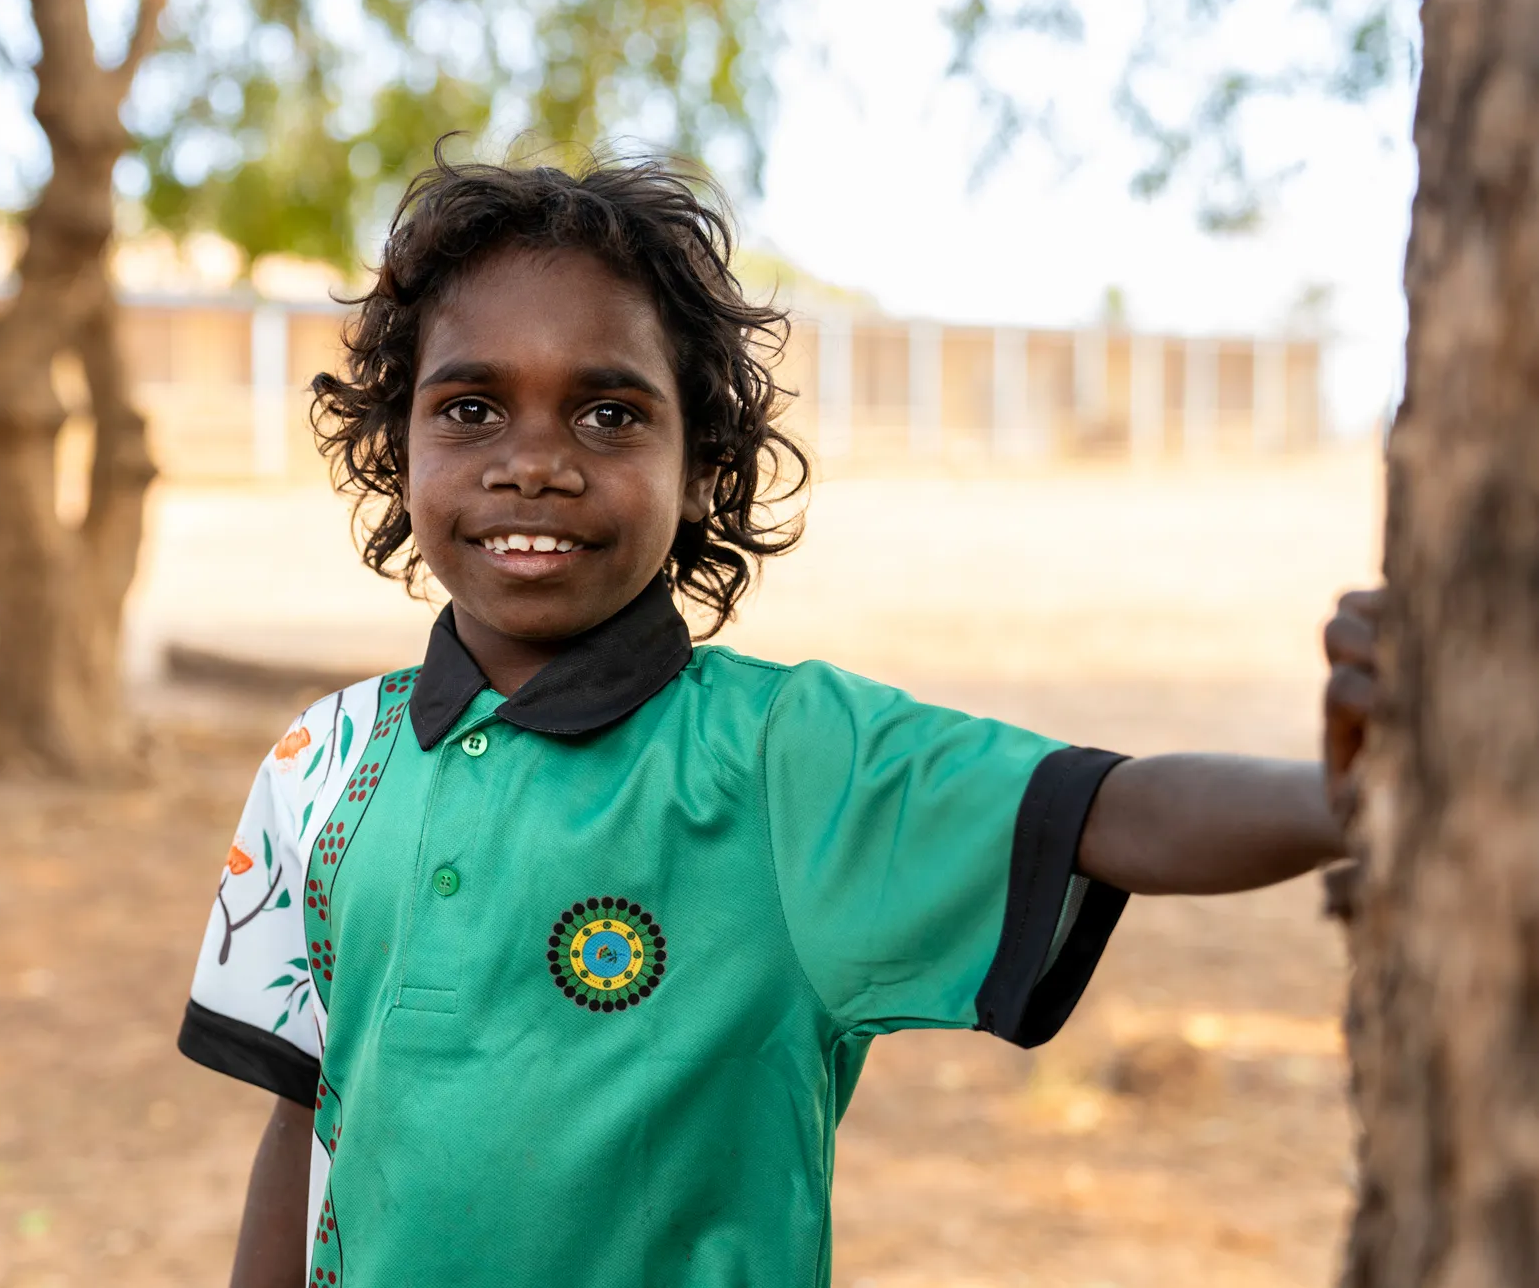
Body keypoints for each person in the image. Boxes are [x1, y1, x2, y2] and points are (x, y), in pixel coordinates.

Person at [178, 153, 1370, 1288]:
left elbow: (1112, 807)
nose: (533, 463)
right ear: (399, 445)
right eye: (473, 407)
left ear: (703, 464)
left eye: (609, 414)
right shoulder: (322, 761)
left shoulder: (787, 756)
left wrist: (1351, 794)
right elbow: (304, 1112)